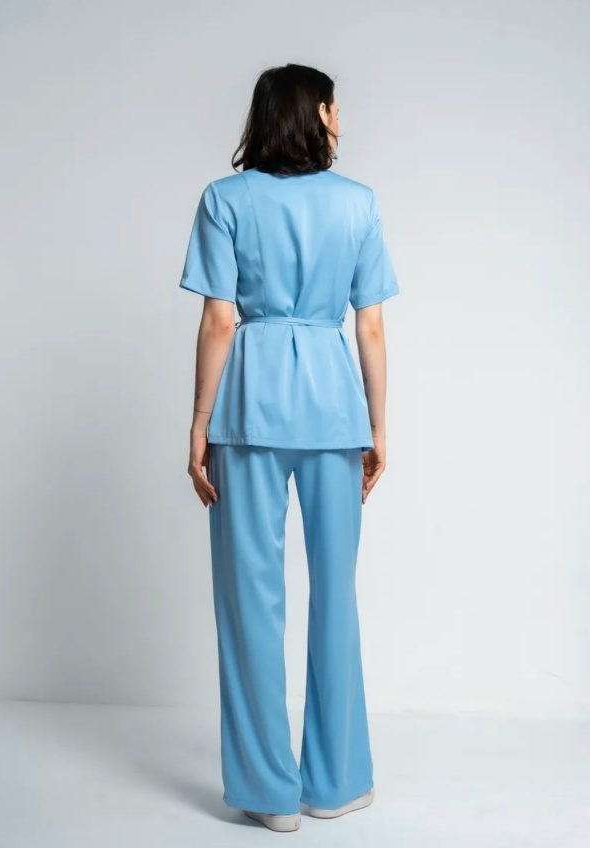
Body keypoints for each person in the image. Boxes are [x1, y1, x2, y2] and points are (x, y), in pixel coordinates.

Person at [178, 63, 399, 833]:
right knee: (336, 594)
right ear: (320, 115)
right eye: (337, 107)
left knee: (251, 599)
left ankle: (270, 793)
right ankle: (335, 783)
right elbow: (370, 325)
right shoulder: (358, 203)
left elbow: (219, 320)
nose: (343, 118)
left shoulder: (225, 199)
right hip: (335, 410)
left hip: (249, 408)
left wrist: (198, 422)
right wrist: (378, 427)